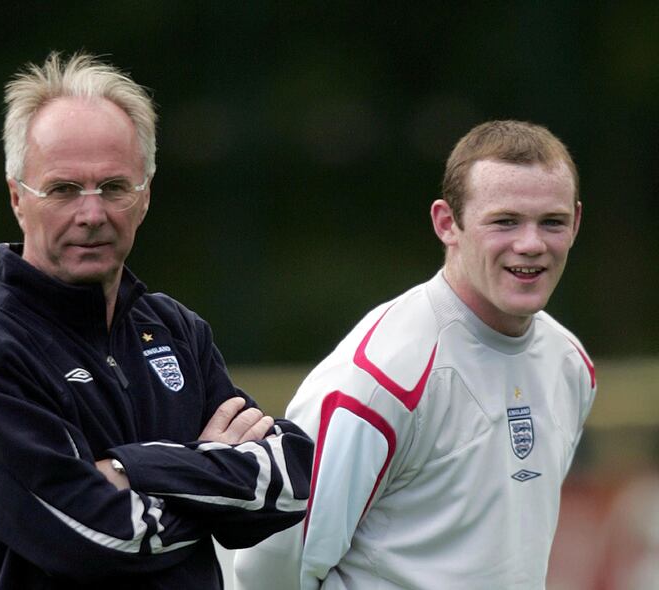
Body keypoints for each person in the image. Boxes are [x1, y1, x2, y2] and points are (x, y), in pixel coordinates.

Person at [0, 52, 313, 590]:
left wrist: (129, 470)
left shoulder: (175, 328)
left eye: (114, 187)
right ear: (17, 199)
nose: (92, 214)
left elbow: (293, 480)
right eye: (62, 189)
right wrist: (214, 474)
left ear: (144, 197)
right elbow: (99, 539)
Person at [234, 120, 596, 589]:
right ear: (447, 223)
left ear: (577, 223)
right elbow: (269, 566)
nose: (531, 244)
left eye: (552, 222)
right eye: (505, 221)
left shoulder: (569, 364)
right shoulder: (380, 377)